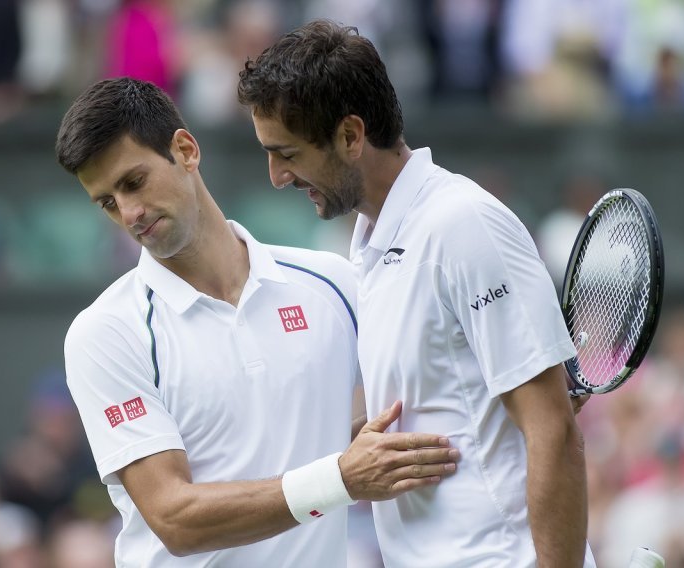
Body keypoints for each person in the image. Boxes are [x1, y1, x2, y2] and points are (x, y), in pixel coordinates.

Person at [54, 77, 459, 567]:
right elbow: (175, 517)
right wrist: (342, 477)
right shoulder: (105, 334)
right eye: (107, 202)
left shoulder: (332, 283)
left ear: (185, 150)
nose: (130, 213)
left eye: (133, 182)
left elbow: (426, 387)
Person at [238, 19, 594, 567]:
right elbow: (444, 409)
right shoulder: (370, 244)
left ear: (351, 137)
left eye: (287, 154)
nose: (276, 177)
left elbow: (554, 431)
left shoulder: (463, 224)